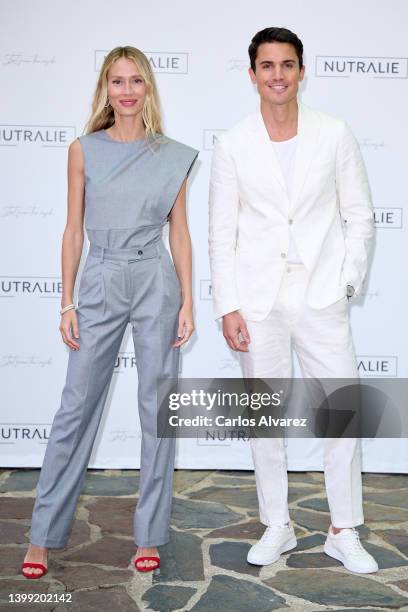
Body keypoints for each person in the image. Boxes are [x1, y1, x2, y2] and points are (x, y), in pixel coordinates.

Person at [21, 46, 198, 578]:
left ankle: (150, 534)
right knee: (75, 408)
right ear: (105, 89)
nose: (126, 91)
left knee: (157, 412)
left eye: (136, 81)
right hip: (99, 277)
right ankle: (42, 534)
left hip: (155, 280)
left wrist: (189, 299)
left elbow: (180, 231)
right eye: (117, 81)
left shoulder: (173, 154)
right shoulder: (83, 150)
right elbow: (73, 229)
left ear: (148, 90)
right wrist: (66, 300)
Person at [208, 27, 378, 574]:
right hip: (258, 300)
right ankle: (277, 524)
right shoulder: (233, 142)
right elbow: (220, 233)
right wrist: (227, 305)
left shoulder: (334, 133)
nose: (277, 74)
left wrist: (346, 281)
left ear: (302, 70)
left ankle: (342, 529)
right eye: (267, 65)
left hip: (322, 293)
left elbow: (359, 216)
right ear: (252, 73)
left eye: (287, 64)